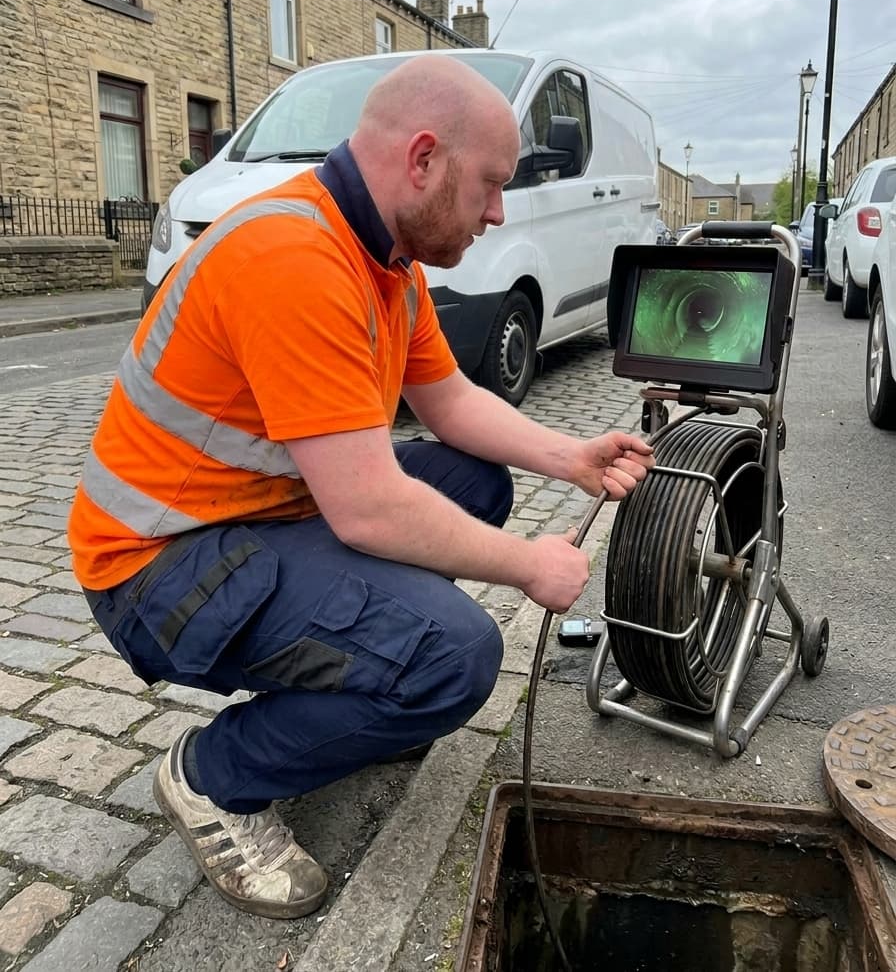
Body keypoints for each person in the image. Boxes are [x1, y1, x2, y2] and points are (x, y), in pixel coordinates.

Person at [68, 55, 654, 920]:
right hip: (157, 566)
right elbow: (370, 505)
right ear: (422, 160)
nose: (497, 212)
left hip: (257, 515)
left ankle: (367, 675)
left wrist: (571, 455)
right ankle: (213, 778)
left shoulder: (385, 258)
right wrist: (529, 567)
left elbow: (450, 402)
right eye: (490, 184)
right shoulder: (294, 257)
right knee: (458, 657)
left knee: (471, 481)